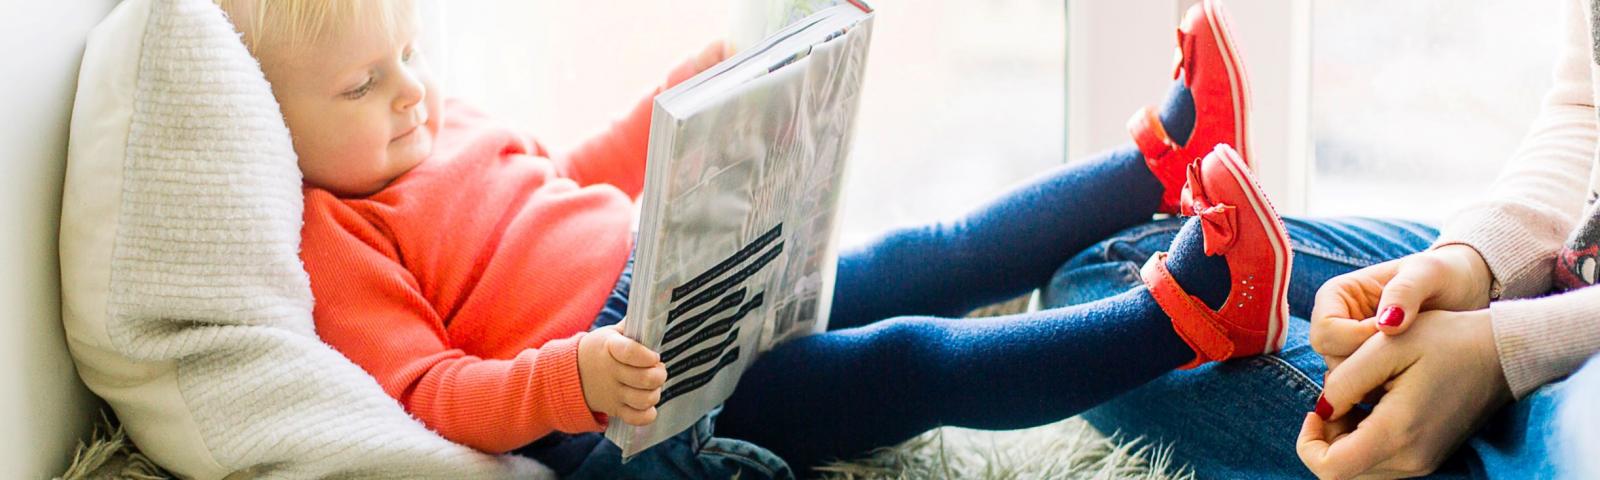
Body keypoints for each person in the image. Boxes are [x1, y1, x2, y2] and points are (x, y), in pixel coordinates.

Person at [215, 0, 1312, 477]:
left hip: (685, 278)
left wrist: (689, 98)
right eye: (364, 83)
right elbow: (431, 393)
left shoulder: (432, 125)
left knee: (917, 254)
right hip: (644, 405)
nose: (409, 92)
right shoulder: (331, 233)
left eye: (408, 52)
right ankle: (1191, 316)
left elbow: (566, 177)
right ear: (271, 117)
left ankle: (1158, 165)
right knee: (909, 361)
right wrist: (570, 382)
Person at [1051, 0, 1600, 478]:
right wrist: (1474, 264)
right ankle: (1164, 167)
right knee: (1110, 268)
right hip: (1568, 273)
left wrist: (1508, 351)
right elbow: (1585, 110)